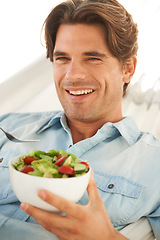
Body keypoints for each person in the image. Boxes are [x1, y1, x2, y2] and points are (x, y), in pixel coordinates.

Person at [0, 0, 160, 239]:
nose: (72, 75)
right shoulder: (8, 126)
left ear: (127, 68)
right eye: (62, 58)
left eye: (93, 58)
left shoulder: (153, 165)